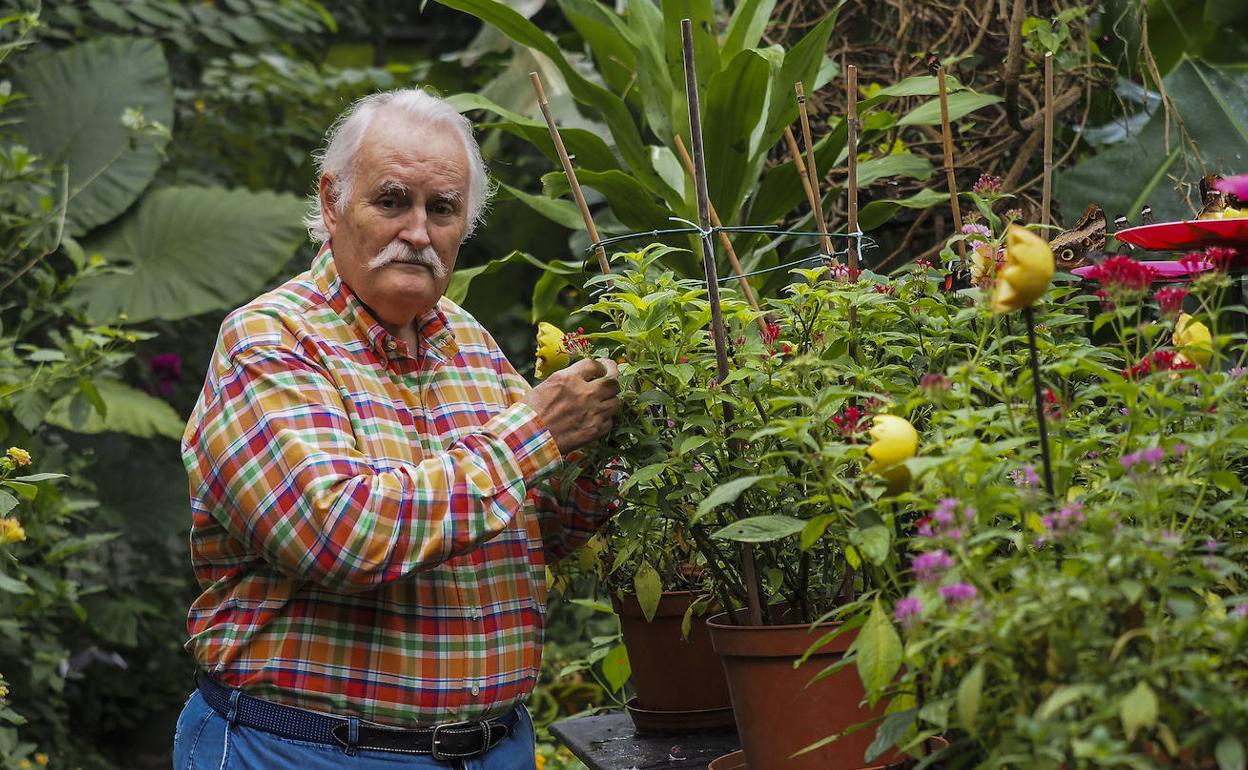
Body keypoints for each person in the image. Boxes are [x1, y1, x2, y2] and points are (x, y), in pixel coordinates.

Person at [172, 88, 621, 769]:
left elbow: (541, 530)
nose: (418, 231)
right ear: (331, 202)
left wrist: (606, 444)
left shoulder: (467, 341)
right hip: (304, 750)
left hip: (492, 747)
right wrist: (534, 434)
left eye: (441, 209)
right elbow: (339, 533)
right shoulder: (271, 340)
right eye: (392, 201)